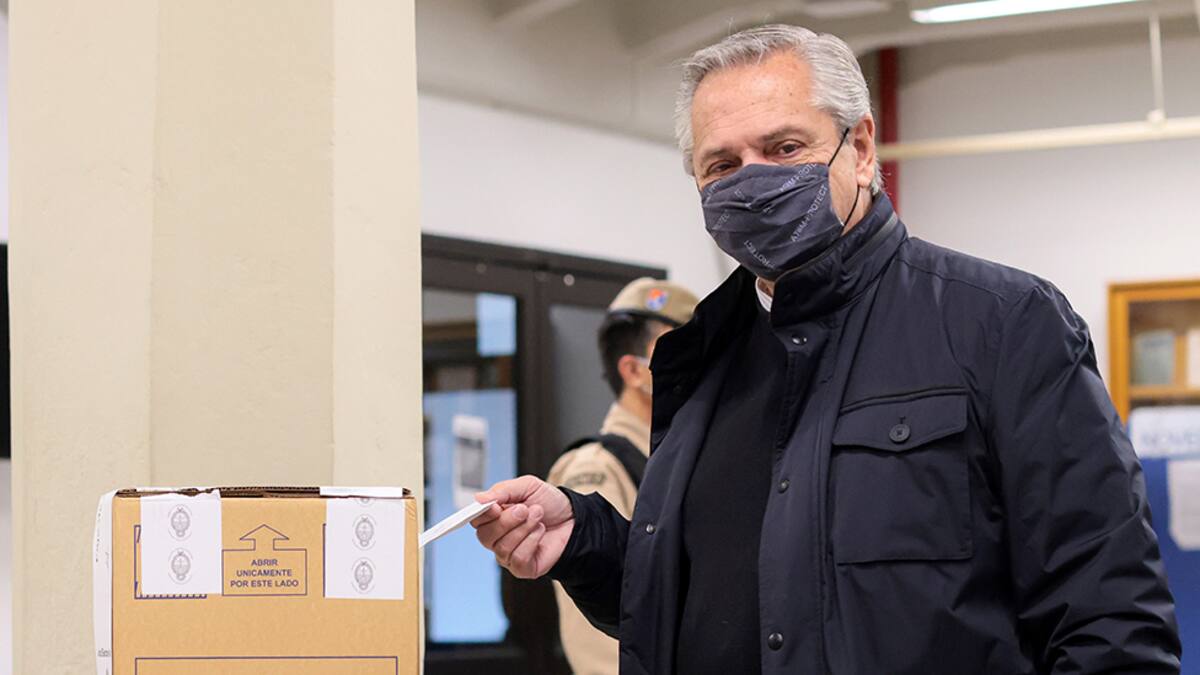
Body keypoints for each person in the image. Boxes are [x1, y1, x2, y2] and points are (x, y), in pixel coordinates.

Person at [471, 24, 1181, 674]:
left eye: (784, 148)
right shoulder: (702, 361)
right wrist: (591, 544)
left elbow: (1110, 622)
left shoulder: (1002, 324)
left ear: (862, 148)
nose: (752, 180)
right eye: (722, 164)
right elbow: (726, 607)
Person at [547, 278, 698, 675]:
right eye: (682, 347)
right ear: (633, 371)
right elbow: (597, 640)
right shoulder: (598, 468)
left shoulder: (682, 456)